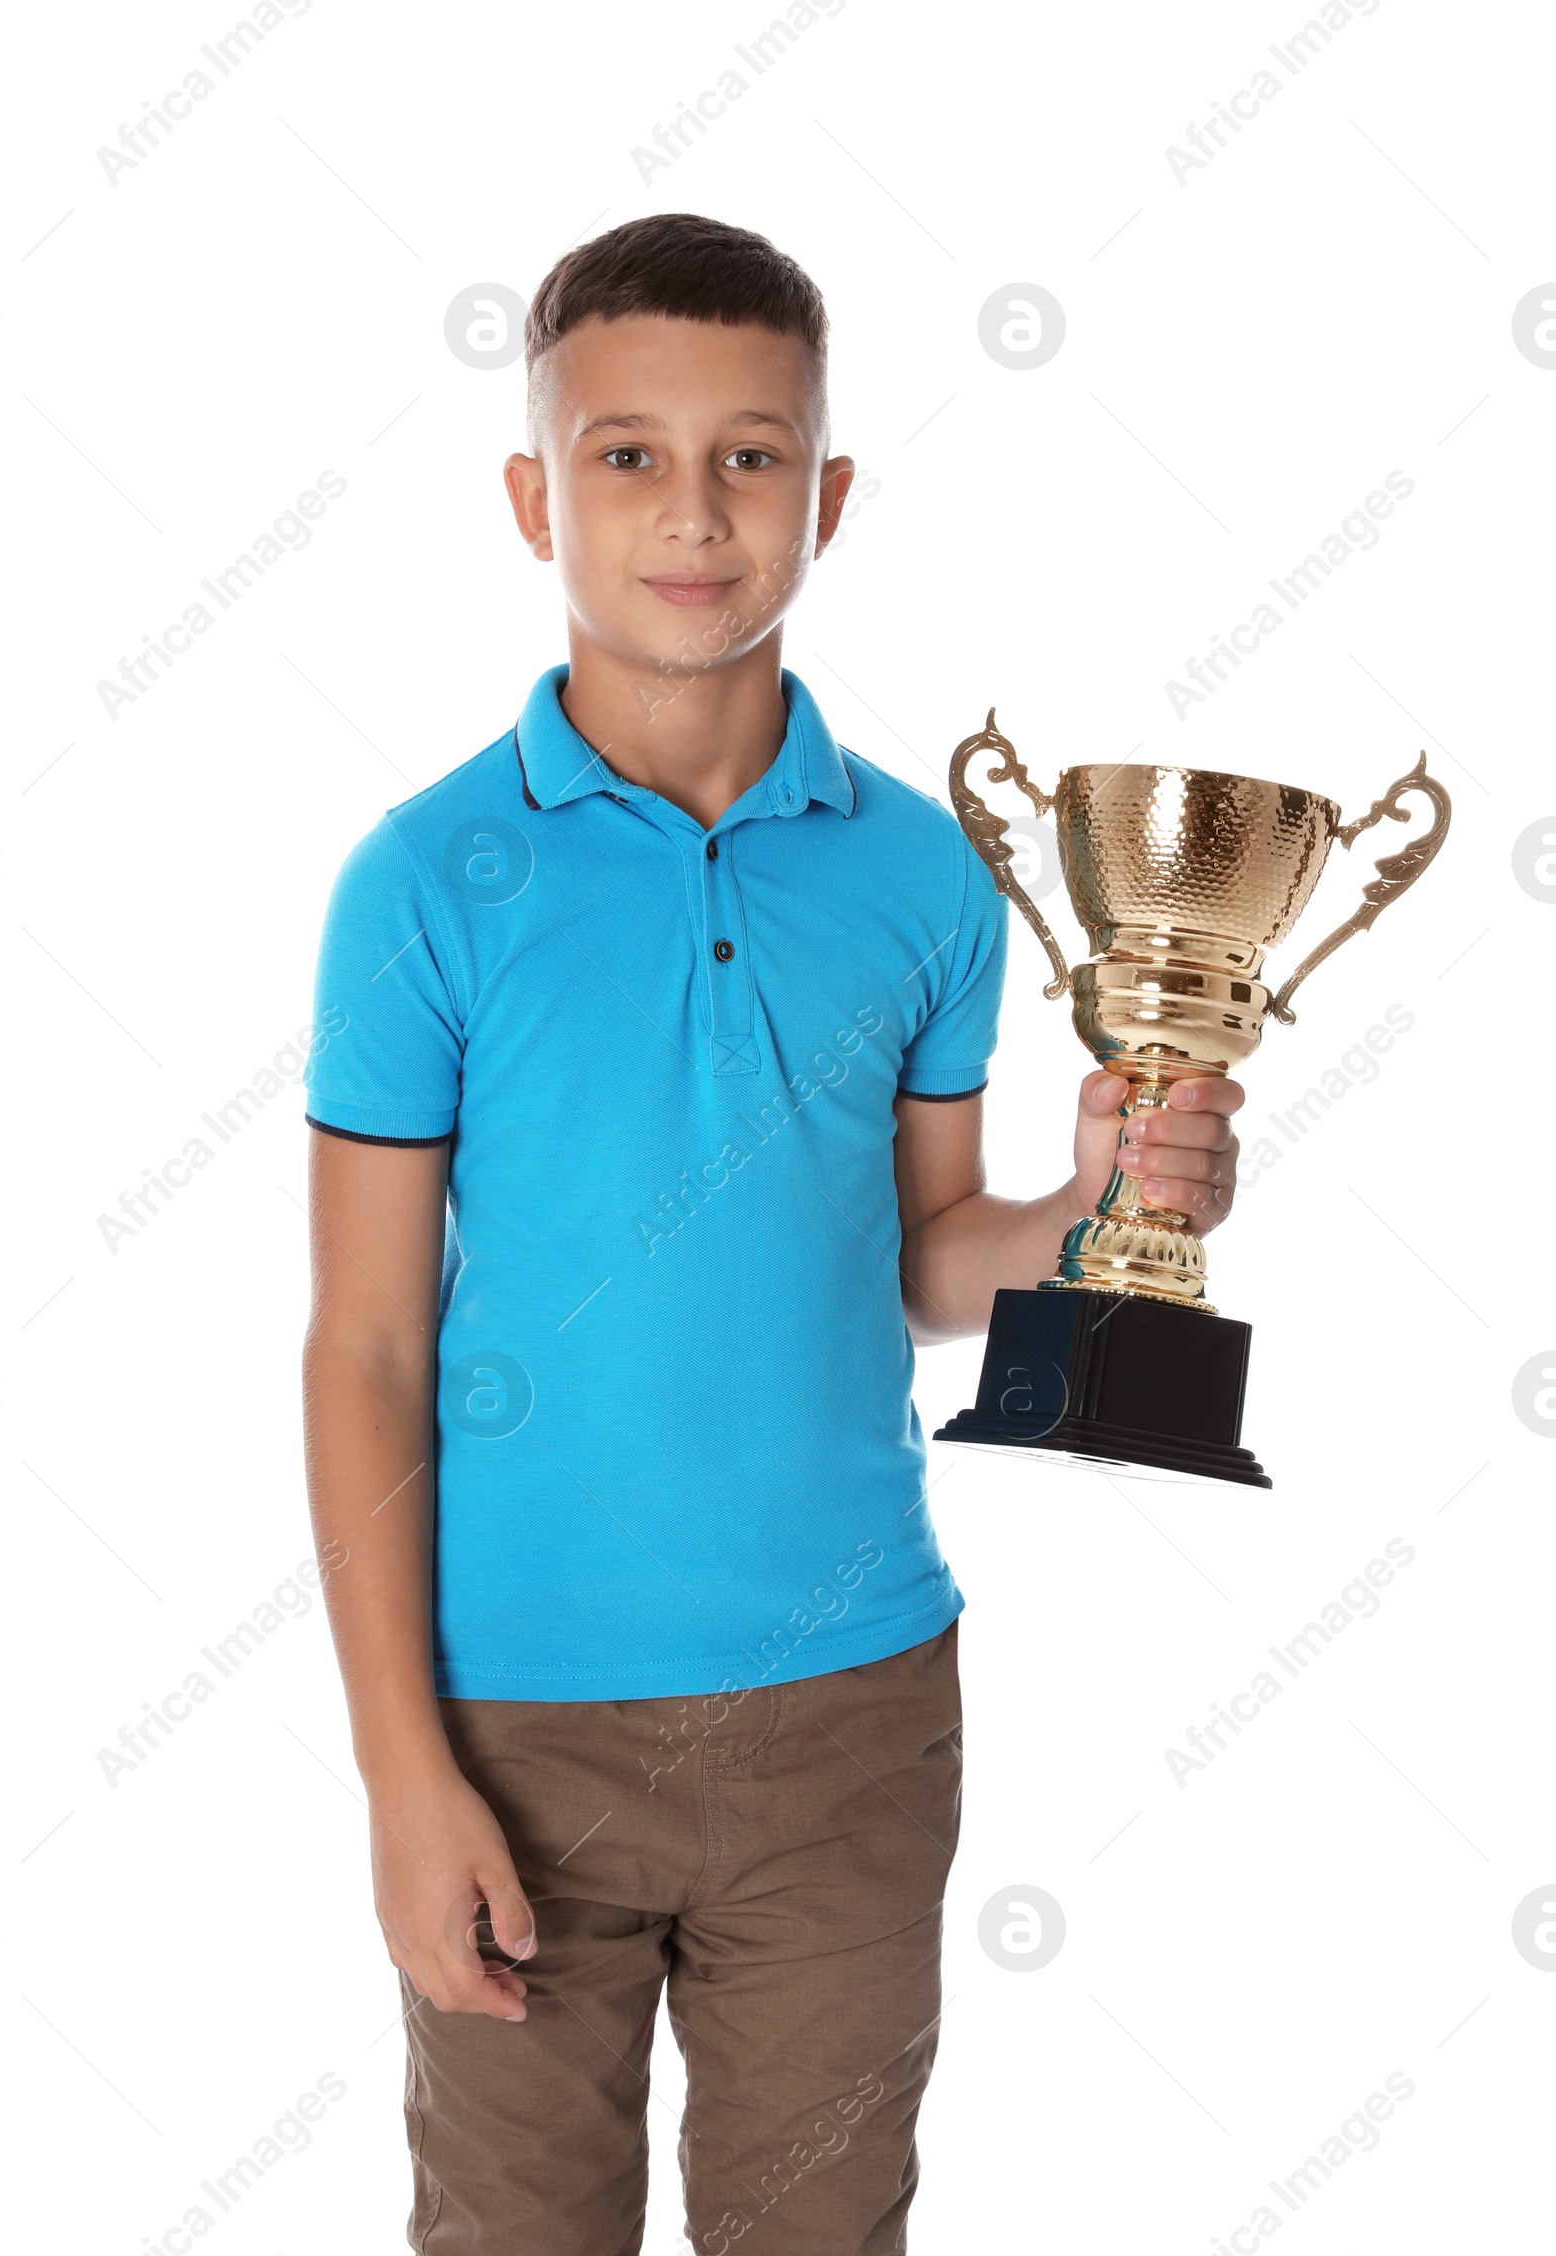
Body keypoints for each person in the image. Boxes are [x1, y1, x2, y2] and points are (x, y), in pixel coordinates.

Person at [301, 211, 1241, 2255]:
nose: (690, 512)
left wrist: (1091, 1209)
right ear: (532, 495)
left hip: (850, 1715)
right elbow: (361, 1347)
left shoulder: (921, 876)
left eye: (749, 455)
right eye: (626, 455)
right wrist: (400, 1771)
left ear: (823, 496)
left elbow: (917, 1269)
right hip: (510, 1722)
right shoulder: (422, 882)